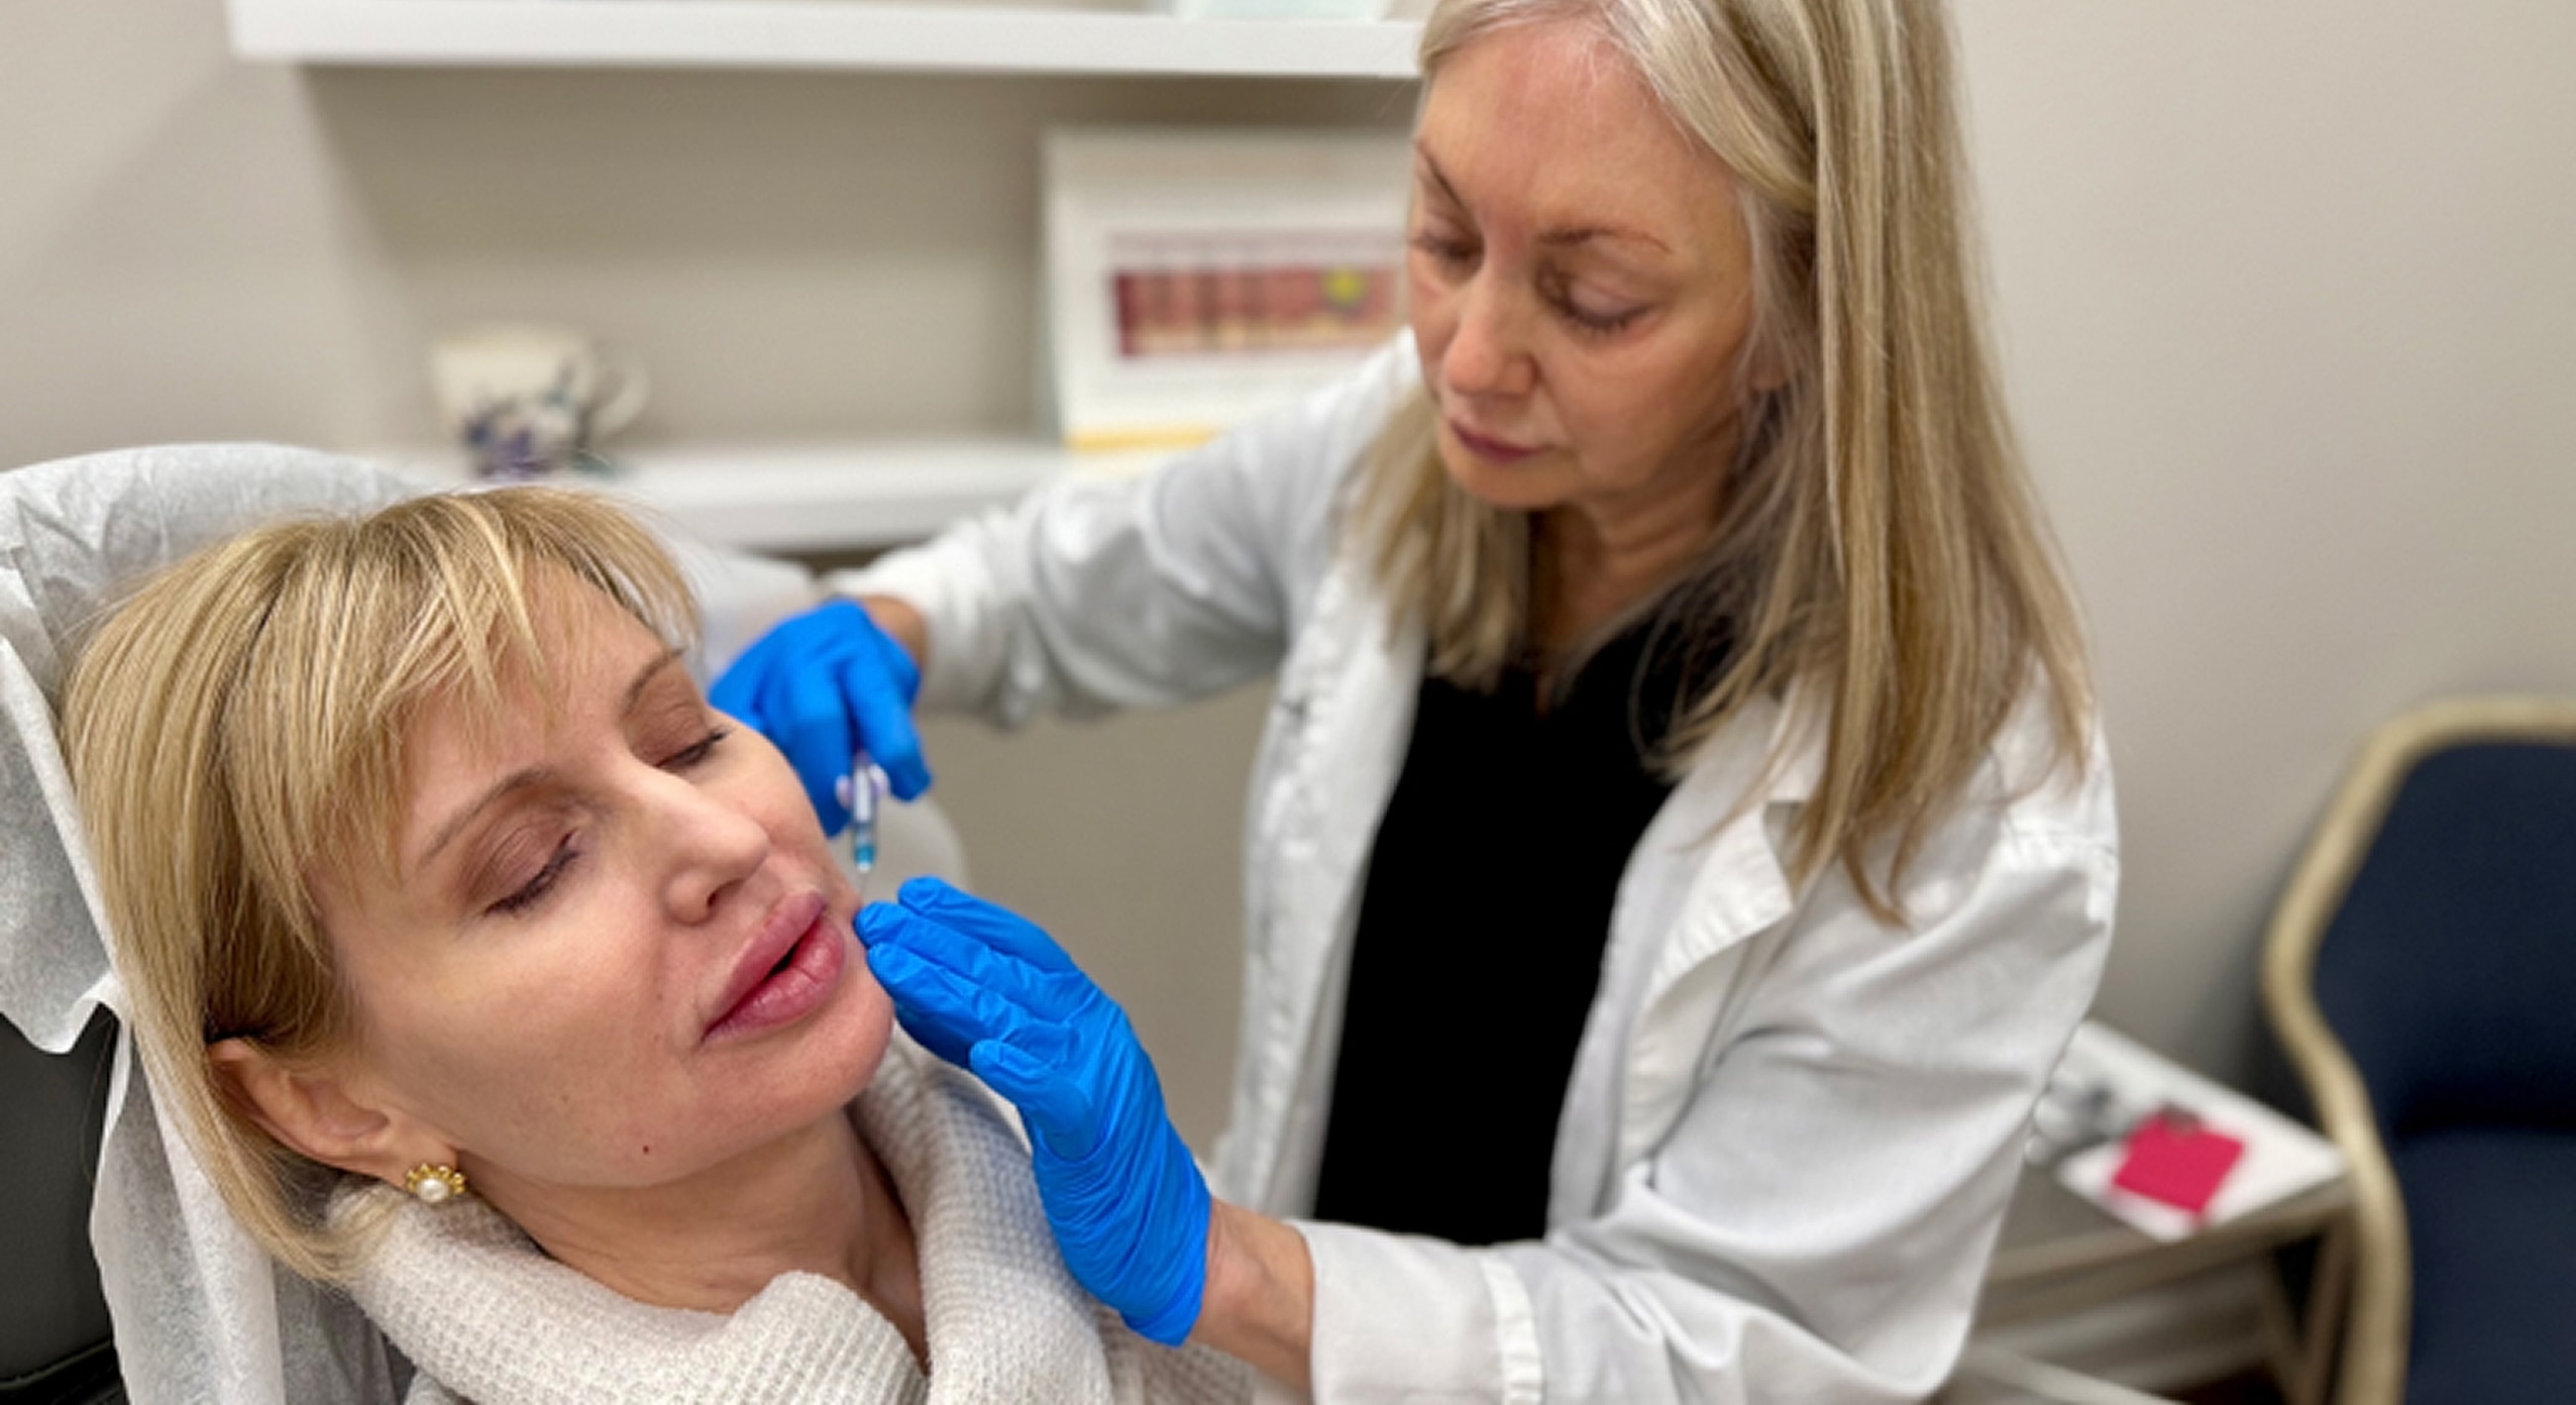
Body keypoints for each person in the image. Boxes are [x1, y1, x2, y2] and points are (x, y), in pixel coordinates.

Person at [715, 0, 2120, 1398]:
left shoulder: (1972, 795)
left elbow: (1728, 1348)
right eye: (1444, 235)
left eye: (1595, 299)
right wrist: (899, 621)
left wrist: (1235, 1267)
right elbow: (1087, 572)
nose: (1466, 354)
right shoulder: (1405, 448)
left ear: (1807, 315)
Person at [59, 486, 1245, 1404]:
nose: (729, 833)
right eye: (537, 865)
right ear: (334, 1106)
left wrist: (1242, 1286)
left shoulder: (1076, 1187)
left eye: (684, 738)